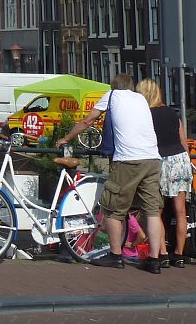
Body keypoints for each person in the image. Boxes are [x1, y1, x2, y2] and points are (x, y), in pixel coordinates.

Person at [57, 73, 163, 273]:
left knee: (112, 209)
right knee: (152, 210)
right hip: (152, 159)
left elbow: (87, 122)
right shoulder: (141, 98)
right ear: (132, 86)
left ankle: (115, 255)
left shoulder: (112, 96)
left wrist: (66, 138)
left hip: (128, 160)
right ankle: (154, 260)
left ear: (113, 86)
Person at [138, 79, 191, 267]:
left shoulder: (145, 115)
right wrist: (188, 162)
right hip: (180, 159)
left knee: (156, 211)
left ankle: (163, 254)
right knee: (180, 211)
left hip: (160, 161)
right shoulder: (171, 112)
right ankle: (179, 255)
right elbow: (183, 140)